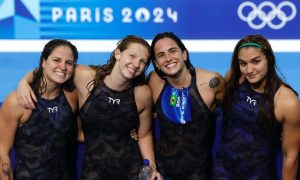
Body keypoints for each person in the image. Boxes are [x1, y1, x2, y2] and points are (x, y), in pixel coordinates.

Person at [16, 35, 162, 180]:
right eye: (132, 56)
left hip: (130, 170)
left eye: (142, 61)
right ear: (118, 54)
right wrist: (24, 81)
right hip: (93, 170)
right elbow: (53, 69)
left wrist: (152, 168)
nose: (136, 64)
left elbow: (145, 135)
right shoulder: (86, 77)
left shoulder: (142, 93)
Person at [213, 34, 300, 179]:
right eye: (243, 63)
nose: (249, 70)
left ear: (269, 59)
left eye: (256, 61)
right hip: (221, 173)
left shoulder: (287, 101)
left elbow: (290, 156)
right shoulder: (235, 80)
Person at [148, 32, 225, 179]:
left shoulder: (212, 82)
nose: (168, 58)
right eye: (161, 55)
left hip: (200, 174)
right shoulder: (153, 82)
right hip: (163, 174)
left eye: (172, 51)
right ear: (156, 63)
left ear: (184, 54)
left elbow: (235, 108)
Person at [0, 39, 79, 179]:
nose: (63, 67)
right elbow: (2, 153)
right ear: (44, 62)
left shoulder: (72, 97)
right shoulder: (16, 102)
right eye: (56, 60)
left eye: (69, 63)